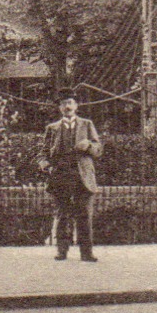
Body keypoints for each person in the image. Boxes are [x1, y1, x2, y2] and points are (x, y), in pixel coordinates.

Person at [41, 91, 103, 261]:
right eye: (63, 104)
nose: (67, 107)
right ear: (59, 108)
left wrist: (88, 145)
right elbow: (43, 154)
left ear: (76, 106)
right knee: (62, 214)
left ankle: (86, 253)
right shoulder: (52, 128)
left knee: (84, 215)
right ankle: (62, 251)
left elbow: (98, 150)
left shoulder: (87, 124)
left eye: (70, 103)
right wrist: (46, 166)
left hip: (82, 177)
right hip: (61, 176)